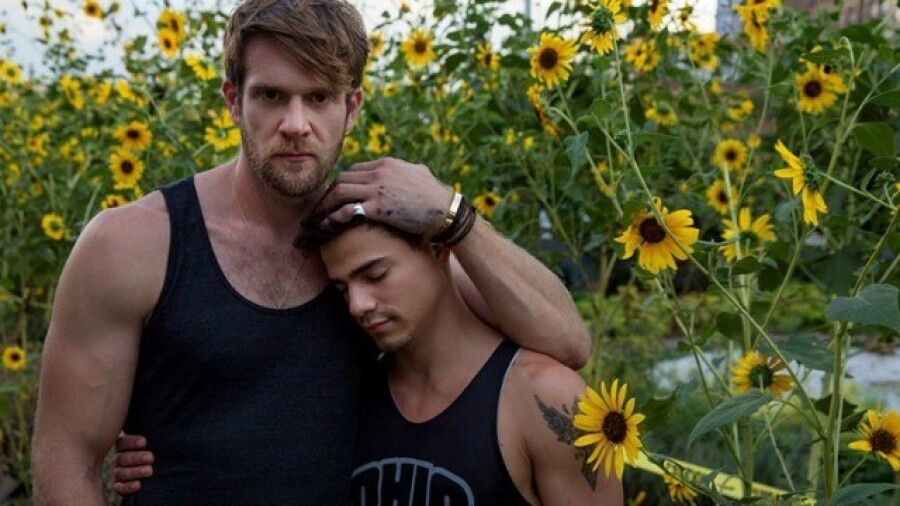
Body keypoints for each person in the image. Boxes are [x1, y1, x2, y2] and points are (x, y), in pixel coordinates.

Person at [31, 0, 590, 504]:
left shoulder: (377, 242)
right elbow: (67, 463)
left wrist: (453, 211)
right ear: (233, 100)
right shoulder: (132, 245)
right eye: (271, 95)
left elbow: (566, 340)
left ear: (352, 106)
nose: (296, 125)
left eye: (318, 97)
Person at [116, 216, 623, 504]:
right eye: (342, 288)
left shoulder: (546, 399)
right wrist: (164, 451)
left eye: (375, 275)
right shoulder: (347, 391)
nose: (358, 304)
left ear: (438, 250)